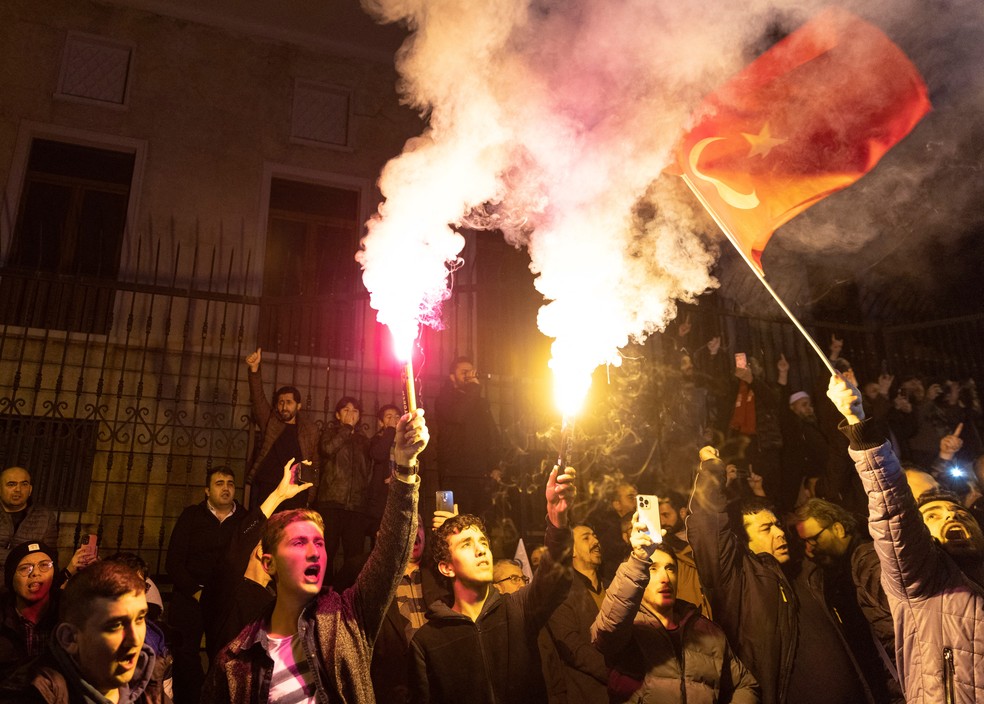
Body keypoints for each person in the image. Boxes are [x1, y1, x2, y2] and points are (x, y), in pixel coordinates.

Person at [202, 408, 428, 703]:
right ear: (268, 562)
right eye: (298, 542)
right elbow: (235, 555)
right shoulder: (234, 663)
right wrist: (279, 496)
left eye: (319, 543)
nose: (314, 552)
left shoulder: (346, 619)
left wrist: (405, 465)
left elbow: (394, 548)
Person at [828, 373, 984, 704]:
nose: (952, 516)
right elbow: (894, 513)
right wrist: (859, 424)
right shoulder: (922, 576)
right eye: (930, 514)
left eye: (958, 513)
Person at [688, 446, 877, 704]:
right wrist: (711, 469)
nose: (779, 533)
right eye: (766, 528)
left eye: (778, 525)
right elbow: (707, 527)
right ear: (743, 543)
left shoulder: (808, 574)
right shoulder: (738, 582)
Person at [408, 464, 576, 704]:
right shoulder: (427, 642)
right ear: (446, 567)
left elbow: (555, 579)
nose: (481, 550)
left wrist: (558, 519)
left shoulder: (518, 610)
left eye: (483, 542)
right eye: (466, 544)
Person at [591, 533, 759, 704]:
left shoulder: (705, 629)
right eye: (652, 568)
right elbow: (606, 633)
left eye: (670, 568)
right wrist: (638, 561)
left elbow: (744, 685)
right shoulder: (627, 628)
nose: (665, 578)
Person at [0, 560, 163, 703]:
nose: (135, 639)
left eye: (140, 619)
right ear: (70, 638)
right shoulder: (32, 694)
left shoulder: (149, 686)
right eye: (116, 625)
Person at [203, 458, 313, 659]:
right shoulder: (230, 587)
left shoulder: (272, 599)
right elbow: (243, 539)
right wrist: (278, 495)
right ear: (260, 552)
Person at [793, 499, 901, 702]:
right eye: (804, 543)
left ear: (838, 528)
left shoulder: (867, 560)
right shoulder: (839, 570)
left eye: (814, 539)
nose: (809, 549)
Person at [164, 465, 246, 702]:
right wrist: (195, 592)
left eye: (230, 483)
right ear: (207, 491)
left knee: (225, 653)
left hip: (225, 598)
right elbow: (174, 561)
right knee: (184, 651)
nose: (226, 488)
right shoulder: (191, 516)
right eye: (219, 483)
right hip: (191, 593)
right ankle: (194, 696)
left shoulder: (244, 519)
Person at [371, 516, 446, 704]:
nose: (414, 531)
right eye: (405, 525)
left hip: (441, 685)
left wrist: (453, 534)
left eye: (418, 525)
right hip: (395, 691)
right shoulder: (368, 578)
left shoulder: (442, 575)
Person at [243, 347, 321, 510]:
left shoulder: (309, 430)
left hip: (295, 491)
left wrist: (309, 496)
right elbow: (258, 400)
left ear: (298, 406)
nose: (284, 406)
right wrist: (254, 369)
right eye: (281, 402)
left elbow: (314, 463)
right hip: (269, 487)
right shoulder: (271, 421)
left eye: (289, 402)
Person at [546, 524, 609, 704]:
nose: (596, 541)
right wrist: (615, 673)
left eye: (595, 536)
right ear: (571, 551)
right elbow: (572, 646)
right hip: (588, 693)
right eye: (586, 537)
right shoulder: (560, 592)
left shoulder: (614, 587)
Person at [432, 356, 501, 516]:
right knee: (449, 523)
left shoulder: (480, 402)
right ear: (452, 377)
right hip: (452, 474)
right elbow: (458, 415)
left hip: (480, 474)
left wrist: (495, 464)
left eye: (471, 372)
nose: (469, 375)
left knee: (478, 524)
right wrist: (474, 388)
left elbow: (491, 432)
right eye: (464, 372)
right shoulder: (444, 399)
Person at [316, 395, 372, 588]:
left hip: (356, 507)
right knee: (326, 553)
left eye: (355, 411)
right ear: (338, 414)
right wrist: (346, 429)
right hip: (331, 502)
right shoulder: (330, 433)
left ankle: (347, 597)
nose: (351, 414)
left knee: (354, 557)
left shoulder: (364, 441)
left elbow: (369, 471)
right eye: (346, 410)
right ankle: (322, 596)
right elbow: (327, 449)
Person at [0, 541, 59, 679]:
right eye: (25, 568)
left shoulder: (68, 614)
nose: (35, 573)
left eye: (44, 565)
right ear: (11, 578)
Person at [0, 467, 59, 576]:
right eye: (11, 484)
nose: (18, 489)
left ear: (30, 489)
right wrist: (26, 558)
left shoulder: (45, 517)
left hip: (27, 584)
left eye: (24, 484)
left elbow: (50, 557)